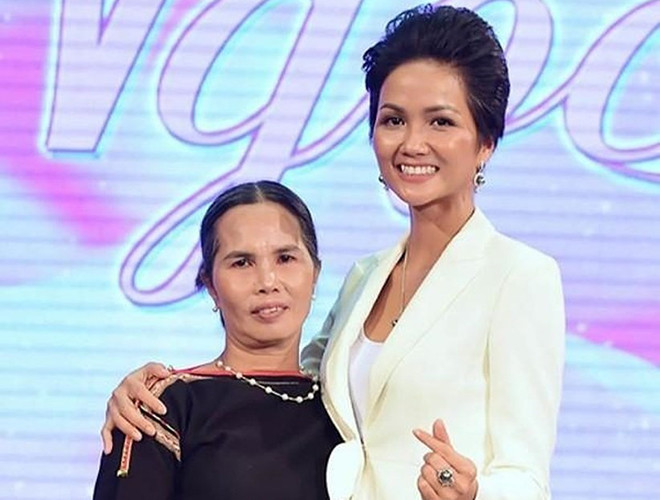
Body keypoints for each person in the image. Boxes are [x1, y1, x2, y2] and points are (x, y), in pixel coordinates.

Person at [100, 5, 565, 500]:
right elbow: (287, 386)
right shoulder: (366, 277)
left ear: (486, 141)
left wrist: (473, 495)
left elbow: (526, 476)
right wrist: (146, 390)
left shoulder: (518, 276)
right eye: (394, 120)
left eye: (440, 122)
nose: (412, 143)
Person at [93, 181, 343, 499]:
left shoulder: (344, 406)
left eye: (285, 258)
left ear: (315, 272)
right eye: (242, 263)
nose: (268, 282)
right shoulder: (164, 405)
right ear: (210, 285)